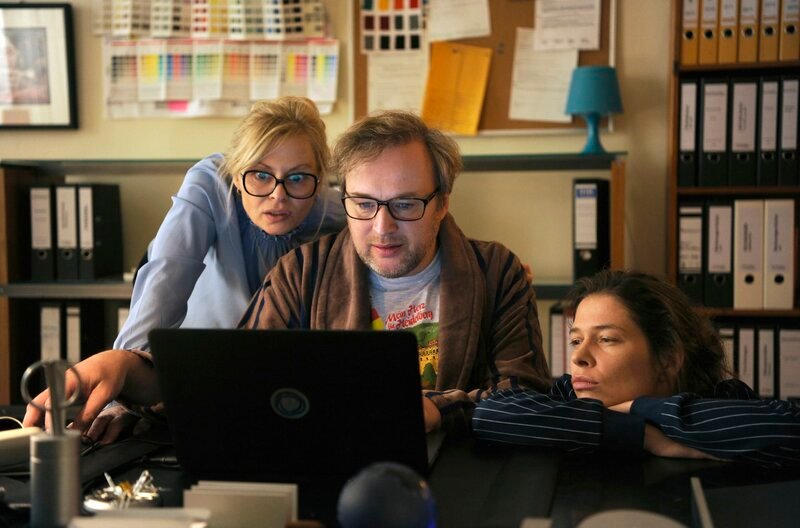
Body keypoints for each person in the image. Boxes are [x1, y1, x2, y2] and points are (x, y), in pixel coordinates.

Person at [24, 110, 551, 437]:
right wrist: (121, 366)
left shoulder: (496, 270)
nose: (383, 226)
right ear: (342, 202)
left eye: (406, 203)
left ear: (442, 203)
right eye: (364, 203)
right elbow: (231, 382)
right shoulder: (302, 270)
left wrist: (436, 412)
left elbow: (529, 401)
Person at [23, 96, 345, 442]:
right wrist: (124, 394)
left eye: (297, 178)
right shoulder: (211, 184)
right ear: (237, 175)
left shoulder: (336, 213)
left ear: (319, 182)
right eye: (260, 175)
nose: (278, 196)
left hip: (277, 391)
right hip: (197, 371)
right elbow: (164, 280)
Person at [473, 270, 800, 467]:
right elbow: (492, 413)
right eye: (576, 341)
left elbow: (790, 427)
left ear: (669, 358)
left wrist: (640, 407)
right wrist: (638, 434)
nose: (579, 357)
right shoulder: (574, 395)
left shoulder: (724, 398)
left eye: (606, 339)